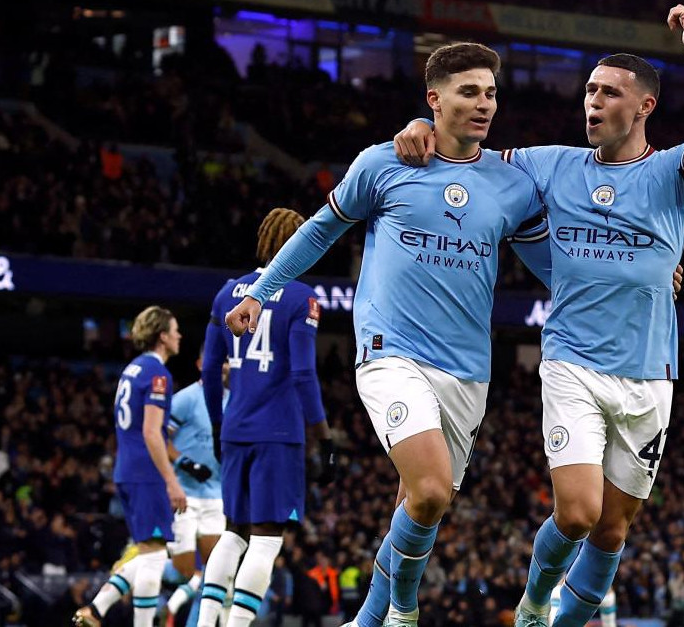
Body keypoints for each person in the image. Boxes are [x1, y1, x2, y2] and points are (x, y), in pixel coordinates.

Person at [394, 6, 684, 626]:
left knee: (611, 531)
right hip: (572, 366)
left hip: (649, 375)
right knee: (578, 513)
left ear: (644, 108)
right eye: (589, 90)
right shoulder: (549, 163)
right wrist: (424, 121)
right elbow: (468, 151)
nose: (593, 101)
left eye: (609, 92)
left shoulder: (673, 174)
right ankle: (532, 605)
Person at [225, 42, 555, 627]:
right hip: (390, 352)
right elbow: (321, 230)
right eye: (469, 92)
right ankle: (398, 610)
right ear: (434, 99)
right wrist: (260, 291)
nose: (485, 104)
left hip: (469, 371)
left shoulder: (511, 184)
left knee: (417, 505)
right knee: (429, 491)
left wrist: (637, 278)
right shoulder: (385, 163)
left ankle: (371, 619)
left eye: (492, 93)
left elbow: (552, 265)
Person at [196, 208, 341, 627]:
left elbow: (209, 369)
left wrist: (218, 424)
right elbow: (302, 373)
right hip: (278, 433)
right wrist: (325, 438)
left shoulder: (227, 293)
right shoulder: (302, 297)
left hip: (235, 427)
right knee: (265, 537)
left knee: (232, 531)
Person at [74, 306, 186, 627]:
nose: (179, 336)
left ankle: (96, 609)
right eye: (175, 330)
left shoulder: (131, 370)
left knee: (147, 550)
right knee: (154, 556)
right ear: (163, 336)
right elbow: (151, 433)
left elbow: (141, 426)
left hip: (126, 469)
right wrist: (171, 481)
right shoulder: (158, 374)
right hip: (147, 473)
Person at [163, 355, 230, 624]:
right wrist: (184, 462)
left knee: (212, 574)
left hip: (216, 497)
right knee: (184, 572)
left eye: (228, 360)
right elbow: (159, 436)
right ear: (202, 362)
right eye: (220, 360)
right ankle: (136, 569)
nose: (225, 366)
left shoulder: (232, 400)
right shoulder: (186, 398)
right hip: (184, 496)